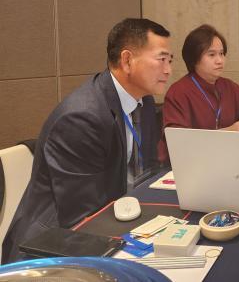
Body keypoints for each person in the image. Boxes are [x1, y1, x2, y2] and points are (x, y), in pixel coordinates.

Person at [2, 18, 173, 263]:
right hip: (51, 247)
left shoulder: (143, 101)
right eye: (161, 59)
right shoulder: (82, 118)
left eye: (170, 60)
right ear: (127, 60)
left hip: (115, 218)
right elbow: (83, 217)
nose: (168, 70)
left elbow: (147, 170)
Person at [158, 24, 239, 163]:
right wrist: (227, 132)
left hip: (227, 159)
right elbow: (178, 142)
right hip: (192, 164)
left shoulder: (229, 86)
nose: (220, 60)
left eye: (222, 54)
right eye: (212, 55)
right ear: (194, 59)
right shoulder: (178, 92)